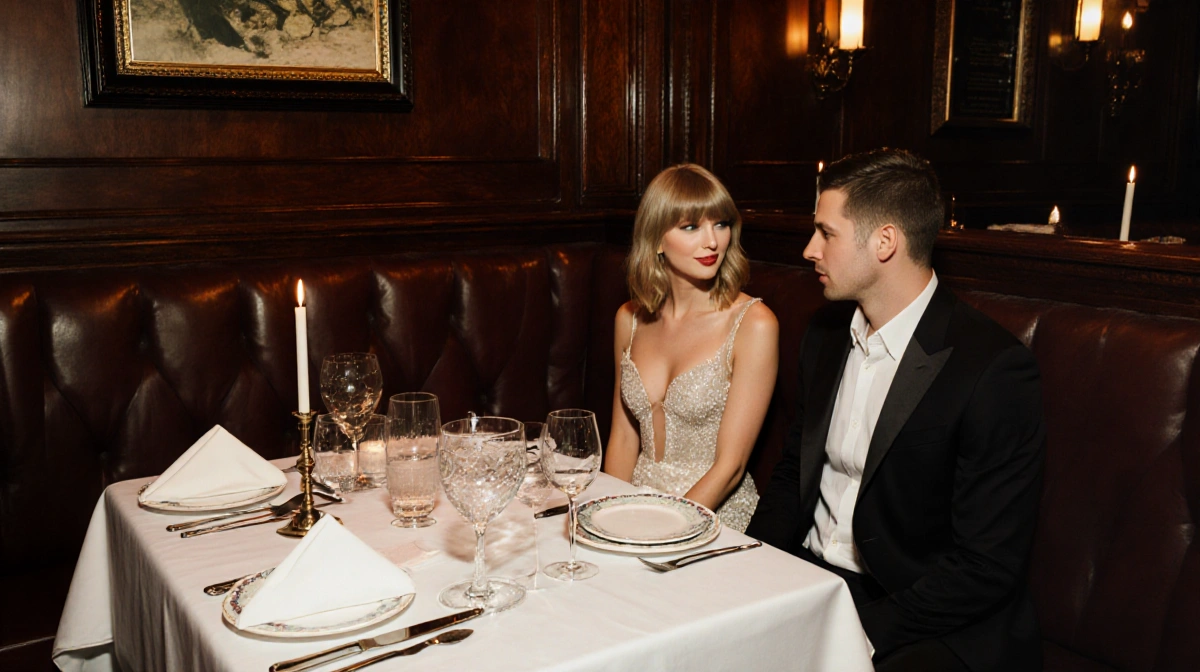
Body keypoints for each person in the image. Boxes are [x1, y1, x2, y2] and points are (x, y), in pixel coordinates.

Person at [746, 149, 1044, 672]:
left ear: (885, 241)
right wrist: (746, 571)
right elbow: (795, 472)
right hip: (815, 579)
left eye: (826, 232)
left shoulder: (991, 368)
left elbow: (986, 565)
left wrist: (854, 629)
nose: (809, 249)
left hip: (923, 614)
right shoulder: (826, 333)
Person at [604, 163, 778, 533]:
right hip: (635, 507)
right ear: (655, 239)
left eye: (721, 223)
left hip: (714, 516)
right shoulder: (629, 319)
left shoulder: (754, 323)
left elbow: (731, 466)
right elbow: (622, 438)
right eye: (690, 226)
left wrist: (665, 531)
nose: (712, 241)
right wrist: (608, 519)